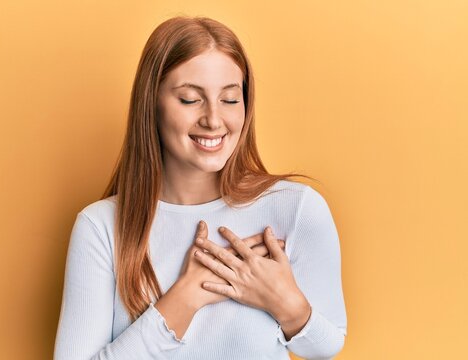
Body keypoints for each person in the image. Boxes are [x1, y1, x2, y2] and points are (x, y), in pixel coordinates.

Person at [54, 15, 347, 360]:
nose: (213, 119)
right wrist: (186, 296)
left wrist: (285, 303)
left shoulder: (295, 208)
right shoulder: (101, 227)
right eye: (191, 99)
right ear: (152, 104)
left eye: (230, 99)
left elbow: (327, 346)